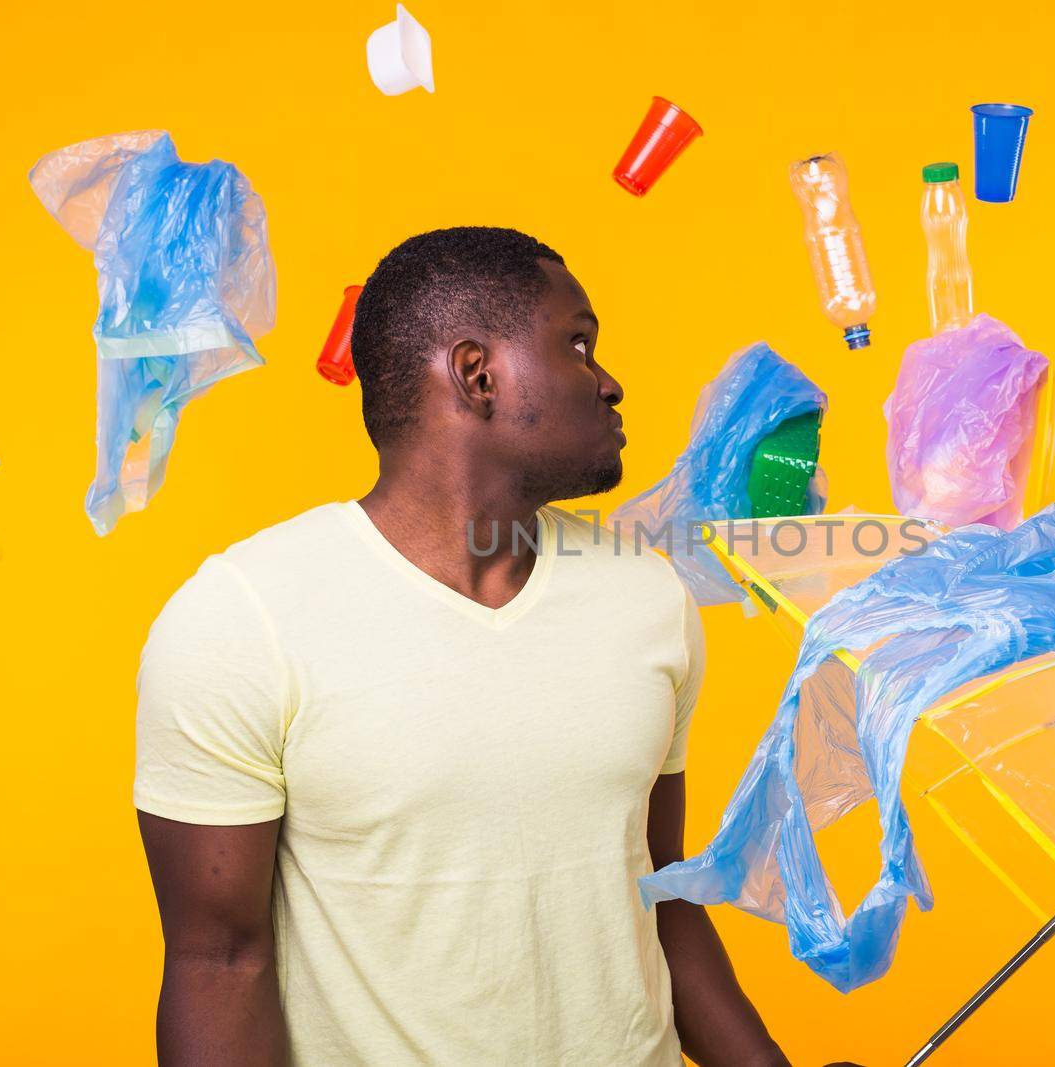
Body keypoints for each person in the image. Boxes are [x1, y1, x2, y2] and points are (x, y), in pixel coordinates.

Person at [133, 227, 792, 1065]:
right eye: (578, 345)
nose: (611, 381)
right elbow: (219, 962)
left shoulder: (649, 596)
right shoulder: (244, 618)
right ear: (477, 374)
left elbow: (665, 896)